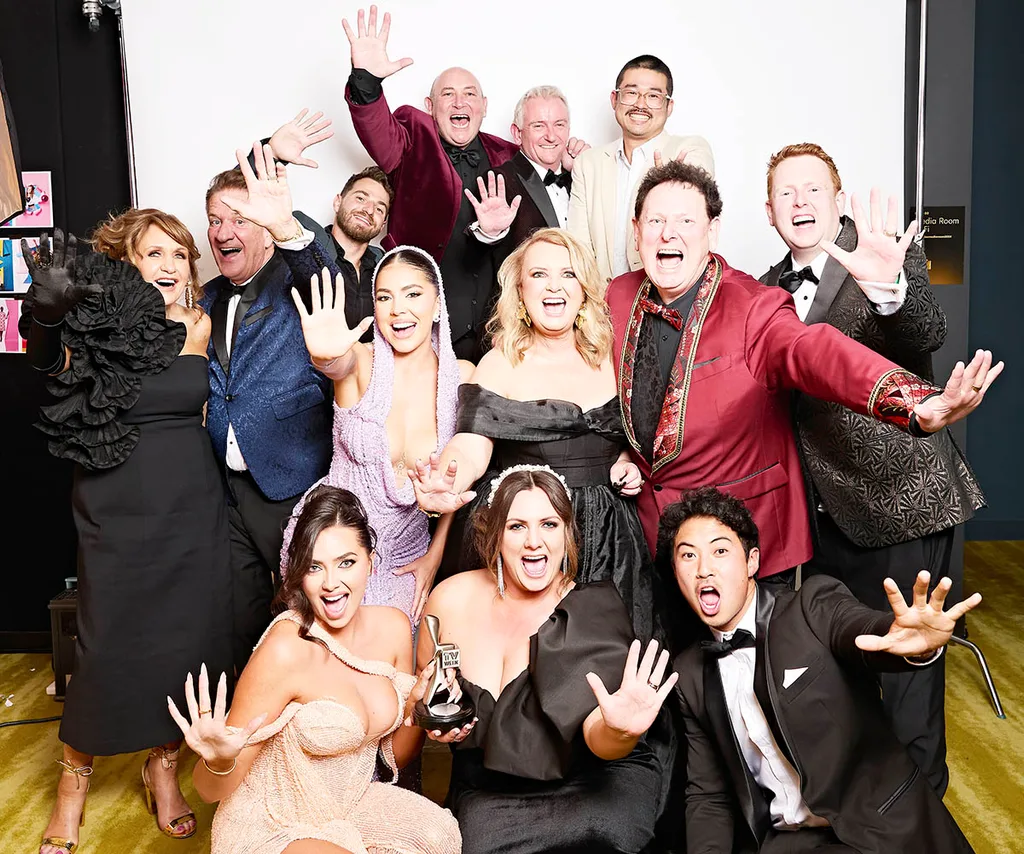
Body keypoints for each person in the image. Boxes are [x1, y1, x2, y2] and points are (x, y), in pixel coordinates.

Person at [605, 160, 1002, 584]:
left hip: (760, 537)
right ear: (636, 230)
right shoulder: (618, 296)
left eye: (686, 219)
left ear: (712, 231)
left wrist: (915, 403)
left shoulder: (755, 303)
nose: (669, 233)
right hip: (653, 540)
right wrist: (626, 449)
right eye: (656, 220)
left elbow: (814, 351)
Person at [760, 142, 984, 795]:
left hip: (904, 501)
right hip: (826, 518)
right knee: (846, 669)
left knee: (912, 676)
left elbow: (924, 332)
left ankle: (921, 823)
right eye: (785, 193)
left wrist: (888, 290)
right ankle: (865, 815)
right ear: (768, 209)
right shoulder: (765, 290)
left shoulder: (885, 254)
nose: (800, 202)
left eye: (812, 190)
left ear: (836, 198)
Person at [22, 214, 233, 853]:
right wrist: (47, 316)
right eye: (154, 254)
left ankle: (163, 771)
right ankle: (73, 786)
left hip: (191, 504)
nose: (169, 266)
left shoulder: (199, 326)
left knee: (183, 642)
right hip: (114, 503)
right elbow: (50, 363)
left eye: (179, 254)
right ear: (127, 262)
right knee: (104, 644)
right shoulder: (96, 326)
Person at [218, 141, 474, 621]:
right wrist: (325, 354)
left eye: (413, 294)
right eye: (384, 296)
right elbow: (336, 365)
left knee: (390, 676)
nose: (398, 310)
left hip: (406, 553)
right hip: (331, 545)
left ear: (437, 302)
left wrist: (436, 553)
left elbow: (456, 484)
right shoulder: (360, 359)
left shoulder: (464, 379)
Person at [662, 486, 977, 854]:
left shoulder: (810, 606)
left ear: (751, 562)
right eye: (688, 556)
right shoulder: (689, 672)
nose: (704, 569)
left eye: (720, 550)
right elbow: (709, 793)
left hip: (878, 826)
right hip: (790, 841)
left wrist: (901, 640)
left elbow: (857, 629)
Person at [168, 485, 462, 854]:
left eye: (347, 562)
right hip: (273, 821)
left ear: (370, 561)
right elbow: (210, 792)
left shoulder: (394, 628)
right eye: (314, 566)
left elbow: (394, 759)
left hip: (348, 805)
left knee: (439, 836)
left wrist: (416, 713)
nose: (331, 584)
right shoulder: (286, 650)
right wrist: (220, 761)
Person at [409, 227, 657, 642]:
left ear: (584, 290)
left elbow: (625, 439)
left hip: (606, 539)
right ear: (520, 291)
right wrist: (445, 478)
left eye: (568, 274)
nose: (554, 285)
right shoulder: (500, 362)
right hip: (524, 532)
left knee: (603, 660)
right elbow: (471, 447)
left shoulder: (613, 356)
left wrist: (627, 462)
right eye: (539, 274)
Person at [421, 466, 676, 854]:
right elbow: (427, 693)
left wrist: (620, 730)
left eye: (549, 524)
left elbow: (597, 736)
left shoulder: (593, 613)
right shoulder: (448, 601)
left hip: (591, 787)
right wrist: (432, 717)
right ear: (495, 534)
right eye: (517, 526)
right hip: (491, 793)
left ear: (568, 533)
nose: (534, 542)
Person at [203, 157, 335, 672]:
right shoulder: (208, 297)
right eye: (215, 220)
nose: (223, 232)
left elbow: (326, 276)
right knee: (239, 619)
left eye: (239, 218)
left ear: (264, 228)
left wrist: (288, 228)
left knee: (304, 616)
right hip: (227, 492)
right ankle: (245, 738)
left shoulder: (295, 280)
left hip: (291, 482)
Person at [342, 4, 519, 359]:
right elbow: (378, 134)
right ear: (430, 105)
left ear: (484, 106)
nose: (459, 101)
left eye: (469, 94)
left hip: (494, 335)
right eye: (448, 94)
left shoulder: (510, 155)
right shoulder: (412, 137)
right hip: (419, 329)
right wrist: (366, 81)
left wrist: (573, 158)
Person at [568, 55, 714, 284]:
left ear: (669, 106)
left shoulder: (690, 150)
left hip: (667, 300)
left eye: (654, 96)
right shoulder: (588, 163)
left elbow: (691, 228)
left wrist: (665, 185)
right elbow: (578, 247)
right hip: (602, 305)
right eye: (631, 93)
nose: (641, 104)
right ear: (615, 99)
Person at [464, 86, 589, 269]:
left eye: (559, 125)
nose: (551, 136)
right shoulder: (499, 181)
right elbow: (471, 262)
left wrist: (587, 170)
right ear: (517, 133)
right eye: (539, 126)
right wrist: (488, 233)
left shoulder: (578, 177)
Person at [293, 166, 392, 344]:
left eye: (379, 209)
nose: (369, 211)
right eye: (361, 198)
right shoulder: (305, 247)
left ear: (383, 223)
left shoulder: (383, 270)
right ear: (338, 202)